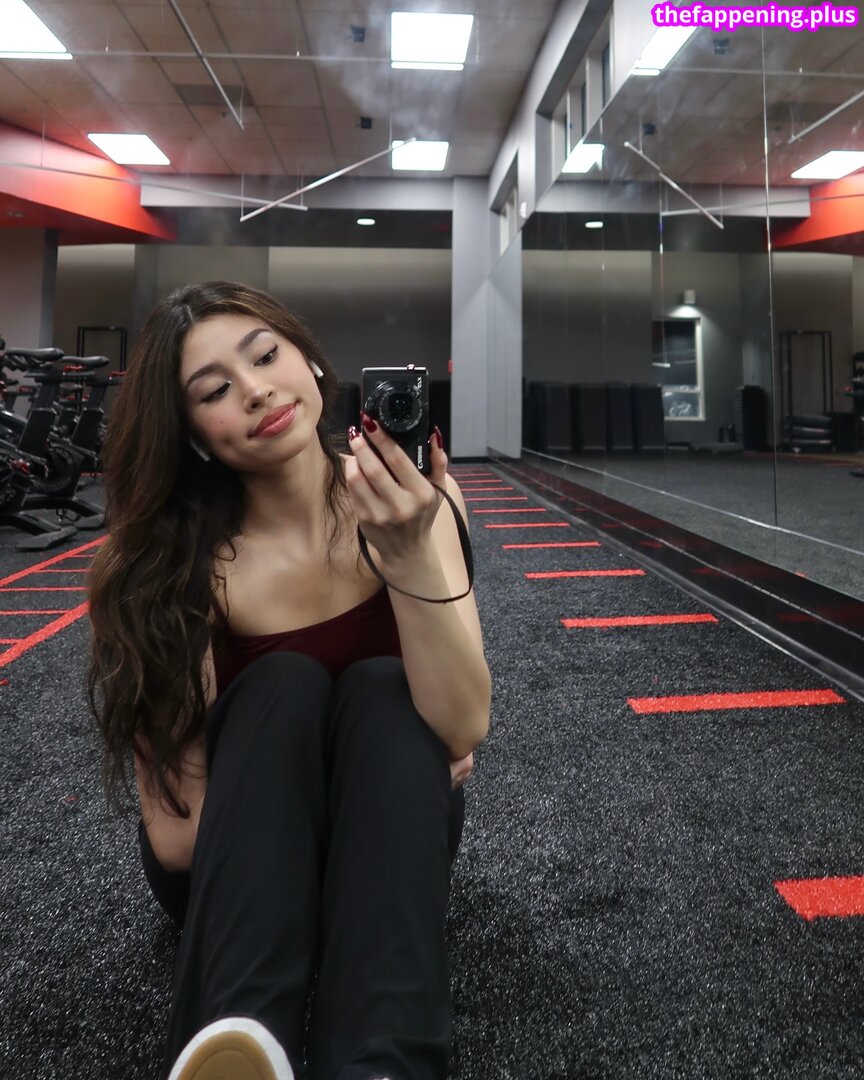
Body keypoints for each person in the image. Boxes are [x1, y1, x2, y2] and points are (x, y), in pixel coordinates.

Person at [85, 280, 491, 1080]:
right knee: (283, 687)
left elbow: (462, 725)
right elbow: (177, 837)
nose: (256, 390)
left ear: (309, 361)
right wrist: (349, 772)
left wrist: (408, 552)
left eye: (266, 356)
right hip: (230, 857)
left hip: (389, 829)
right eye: (215, 391)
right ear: (193, 435)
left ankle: (384, 1063)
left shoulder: (424, 504)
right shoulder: (170, 568)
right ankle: (238, 1039)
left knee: (386, 694)